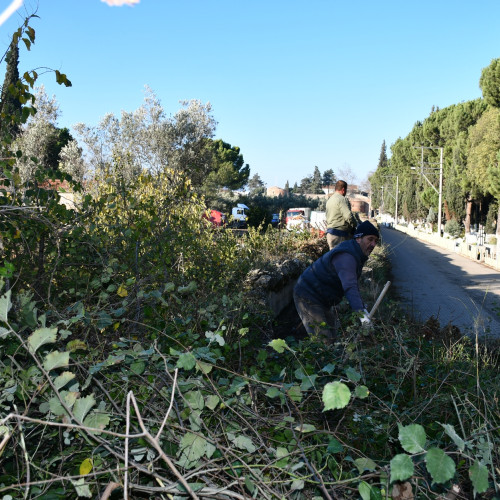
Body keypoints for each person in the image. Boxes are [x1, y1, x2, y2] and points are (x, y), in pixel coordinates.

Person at [293, 220, 379, 344]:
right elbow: (350, 286)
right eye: (370, 239)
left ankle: (329, 360)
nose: (373, 244)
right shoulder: (347, 256)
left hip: (322, 299)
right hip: (308, 295)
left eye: (376, 241)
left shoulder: (355, 253)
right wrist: (362, 315)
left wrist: (362, 308)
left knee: (332, 338)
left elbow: (352, 284)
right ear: (358, 238)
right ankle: (318, 361)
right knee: (323, 341)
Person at [325, 180, 358, 250]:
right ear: (343, 189)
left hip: (330, 235)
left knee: (334, 258)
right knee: (344, 258)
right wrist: (356, 225)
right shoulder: (342, 199)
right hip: (340, 235)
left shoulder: (329, 200)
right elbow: (348, 216)